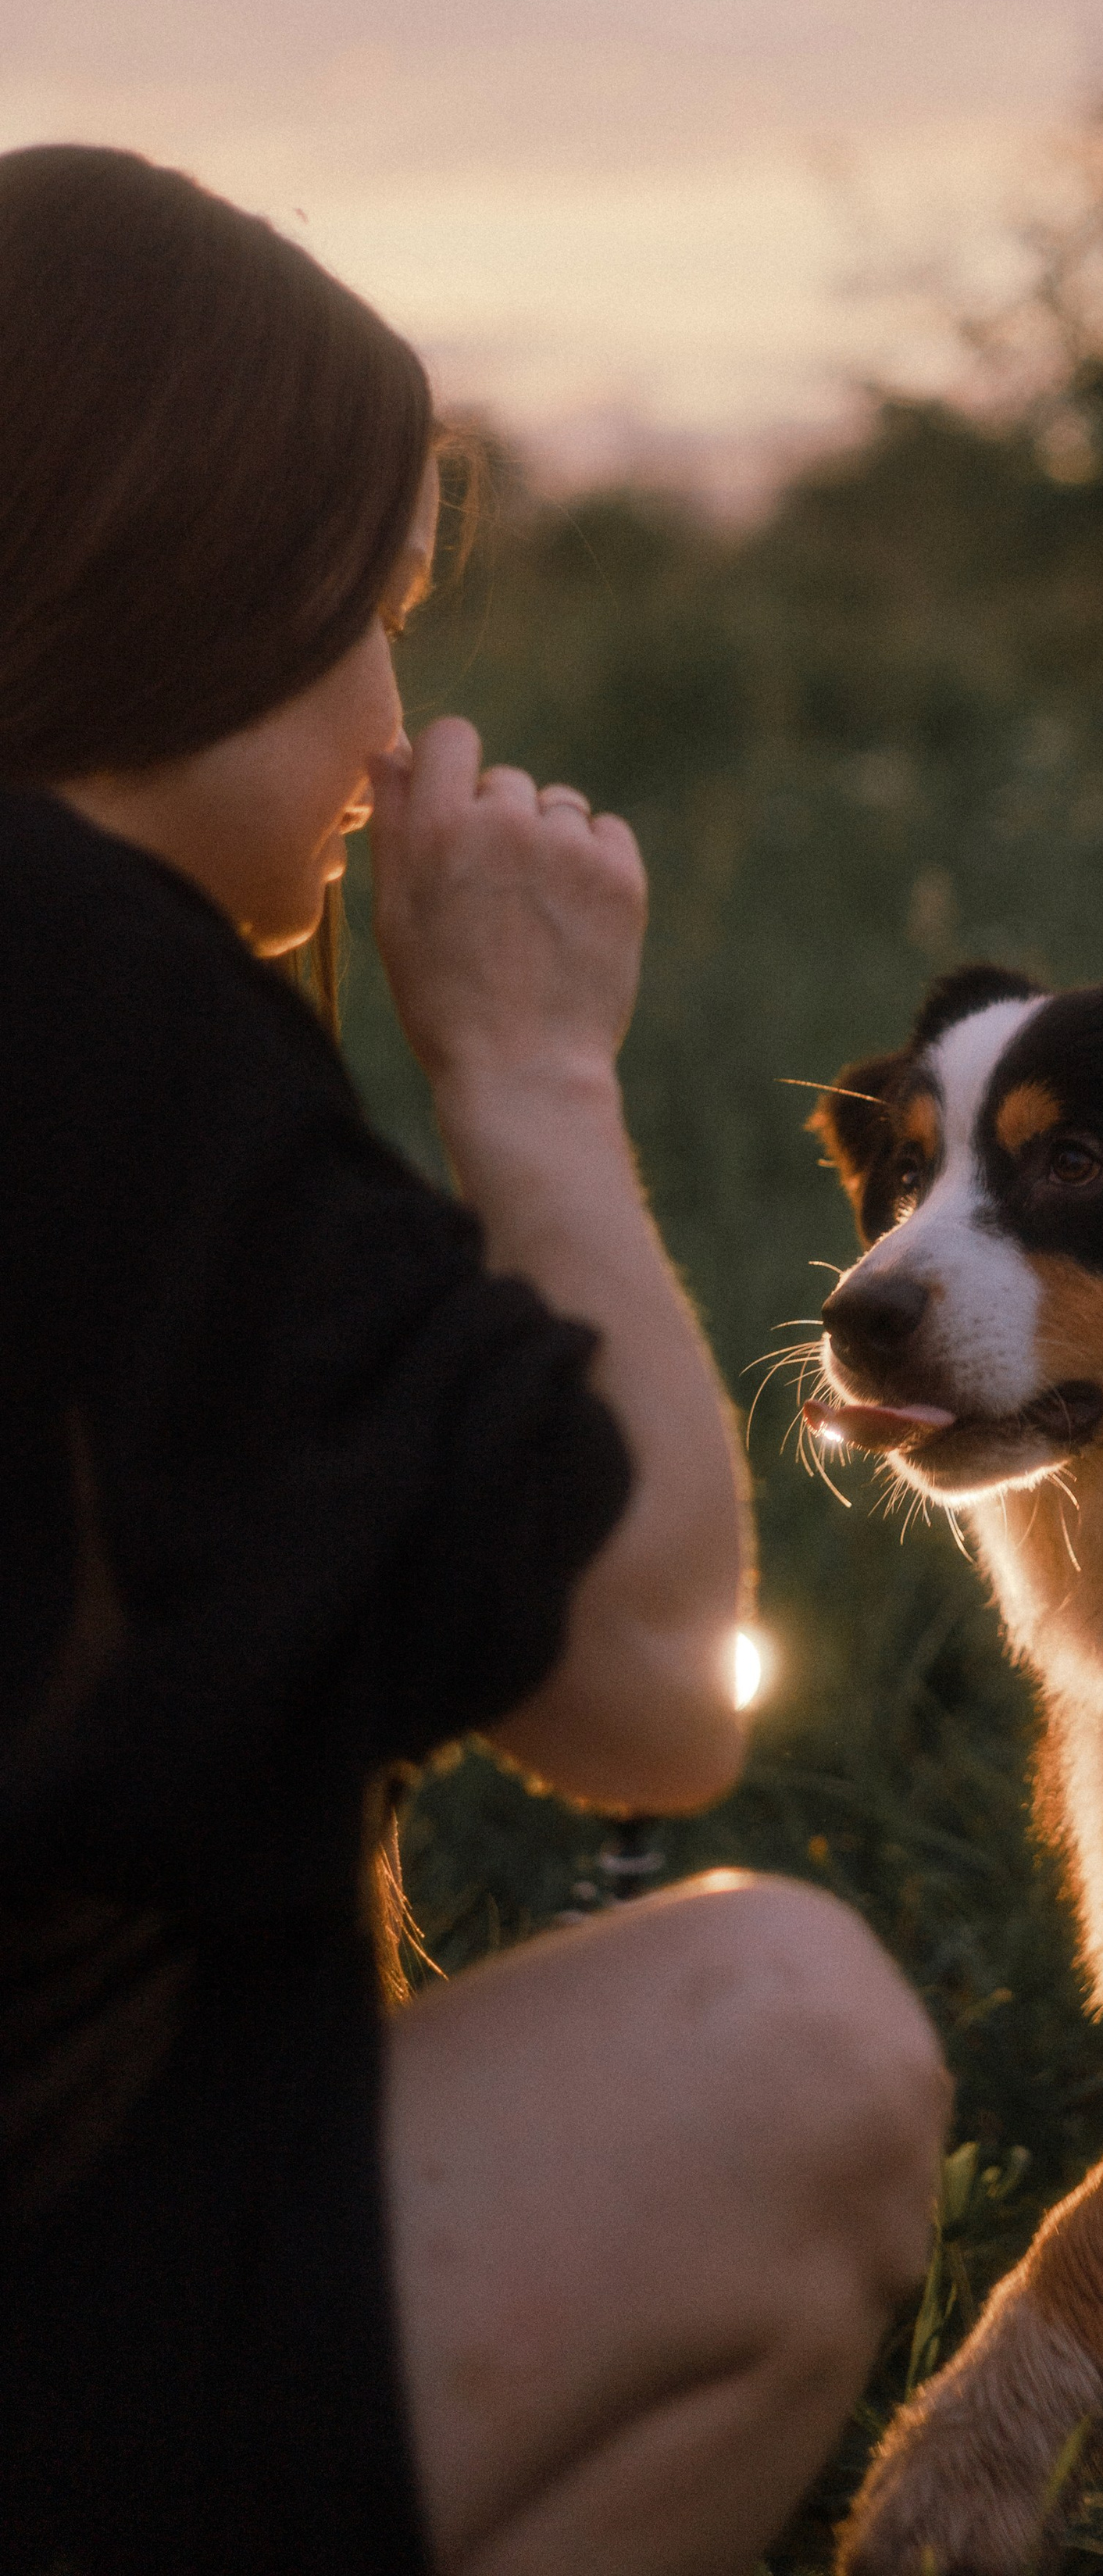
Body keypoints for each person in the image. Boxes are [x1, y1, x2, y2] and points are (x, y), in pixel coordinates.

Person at [0, 145, 948, 2576]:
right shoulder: (92, 993)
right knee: (790, 2057)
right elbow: (645, 1687)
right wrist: (525, 1068)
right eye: (373, 613)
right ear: (177, 560)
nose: (386, 721)